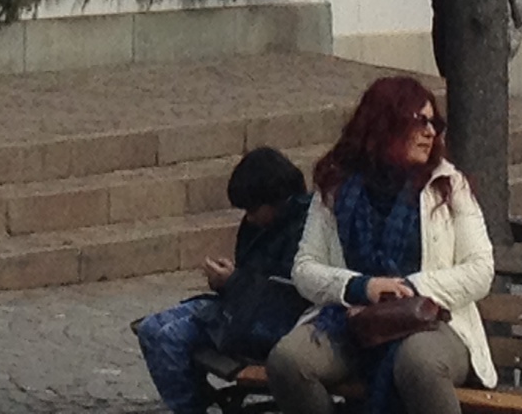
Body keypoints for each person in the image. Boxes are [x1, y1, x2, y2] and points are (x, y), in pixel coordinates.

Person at [267, 75, 499, 414]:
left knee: (417, 362)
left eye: (435, 123)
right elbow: (305, 267)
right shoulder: (334, 186)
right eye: (419, 122)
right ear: (384, 125)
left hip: (433, 322)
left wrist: (409, 287)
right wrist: (363, 286)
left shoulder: (448, 185)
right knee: (289, 360)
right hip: (352, 319)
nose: (431, 133)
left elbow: (480, 270)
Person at [134, 146, 312, 412]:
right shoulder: (260, 224)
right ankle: (198, 404)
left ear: (274, 200)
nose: (248, 217)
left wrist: (233, 281)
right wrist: (225, 281)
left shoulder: (304, 227)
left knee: (168, 338)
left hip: (267, 326)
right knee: (150, 330)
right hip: (238, 312)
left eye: (252, 209)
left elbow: (282, 293)